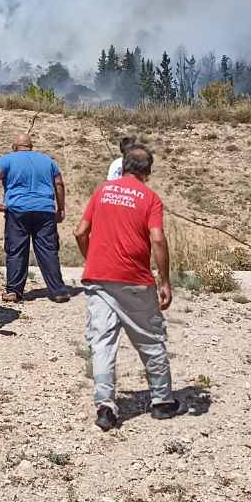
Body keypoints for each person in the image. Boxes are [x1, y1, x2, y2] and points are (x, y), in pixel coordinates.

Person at [75, 144, 178, 432]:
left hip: (98, 278)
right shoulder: (150, 198)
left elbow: (80, 232)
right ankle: (162, 401)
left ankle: (105, 406)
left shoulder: (101, 191)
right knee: (150, 339)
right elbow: (157, 239)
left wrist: (92, 259)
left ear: (123, 166)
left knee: (102, 343)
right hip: (135, 280)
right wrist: (165, 280)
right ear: (148, 171)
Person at [0, 134, 69, 304]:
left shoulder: (7, 159)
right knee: (48, 250)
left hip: (18, 210)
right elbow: (59, 183)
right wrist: (60, 208)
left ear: (14, 146)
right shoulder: (47, 160)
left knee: (16, 250)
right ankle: (58, 291)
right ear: (31, 146)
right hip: (44, 210)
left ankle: (14, 292)